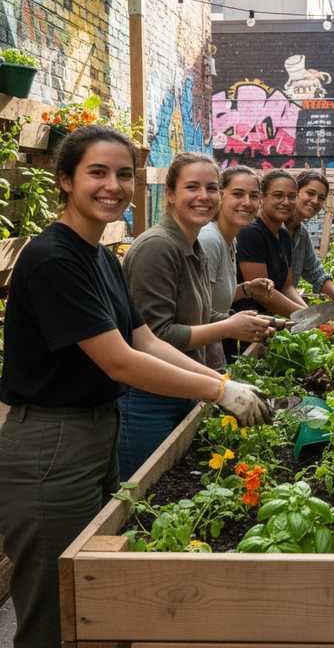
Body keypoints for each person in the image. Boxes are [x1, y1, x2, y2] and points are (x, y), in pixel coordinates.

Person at [0, 126, 271, 648]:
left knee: (96, 603)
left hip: (93, 438)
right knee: (57, 614)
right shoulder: (53, 259)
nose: (113, 185)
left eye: (123, 174)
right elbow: (119, 362)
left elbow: (142, 338)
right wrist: (217, 394)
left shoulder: (99, 256)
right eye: (97, 172)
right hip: (50, 450)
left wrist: (222, 379)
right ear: (66, 180)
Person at [118, 152, 275, 479]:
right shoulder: (158, 248)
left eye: (211, 187)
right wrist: (228, 328)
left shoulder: (194, 246)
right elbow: (153, 337)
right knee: (143, 505)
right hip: (150, 399)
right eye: (192, 187)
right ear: (171, 194)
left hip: (185, 386)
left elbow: (201, 316)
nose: (204, 196)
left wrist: (246, 324)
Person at [199, 165, 274, 368]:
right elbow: (198, 312)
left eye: (254, 196)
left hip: (211, 349)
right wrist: (241, 325)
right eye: (238, 194)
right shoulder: (210, 240)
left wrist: (246, 289)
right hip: (194, 357)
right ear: (220, 196)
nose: (247, 203)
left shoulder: (230, 240)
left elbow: (213, 298)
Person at [237, 169, 307, 317]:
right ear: (262, 198)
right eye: (278, 195)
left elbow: (287, 286)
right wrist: (305, 317)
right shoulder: (251, 233)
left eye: (292, 196)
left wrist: (310, 313)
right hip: (242, 326)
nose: (286, 202)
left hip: (266, 324)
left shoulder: (284, 235)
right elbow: (263, 294)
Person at [286, 170, 334, 301]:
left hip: (281, 311)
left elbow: (316, 272)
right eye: (310, 193)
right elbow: (277, 288)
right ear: (295, 192)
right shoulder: (274, 228)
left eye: (321, 198)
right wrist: (308, 316)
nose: (315, 201)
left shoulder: (301, 233)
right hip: (253, 314)